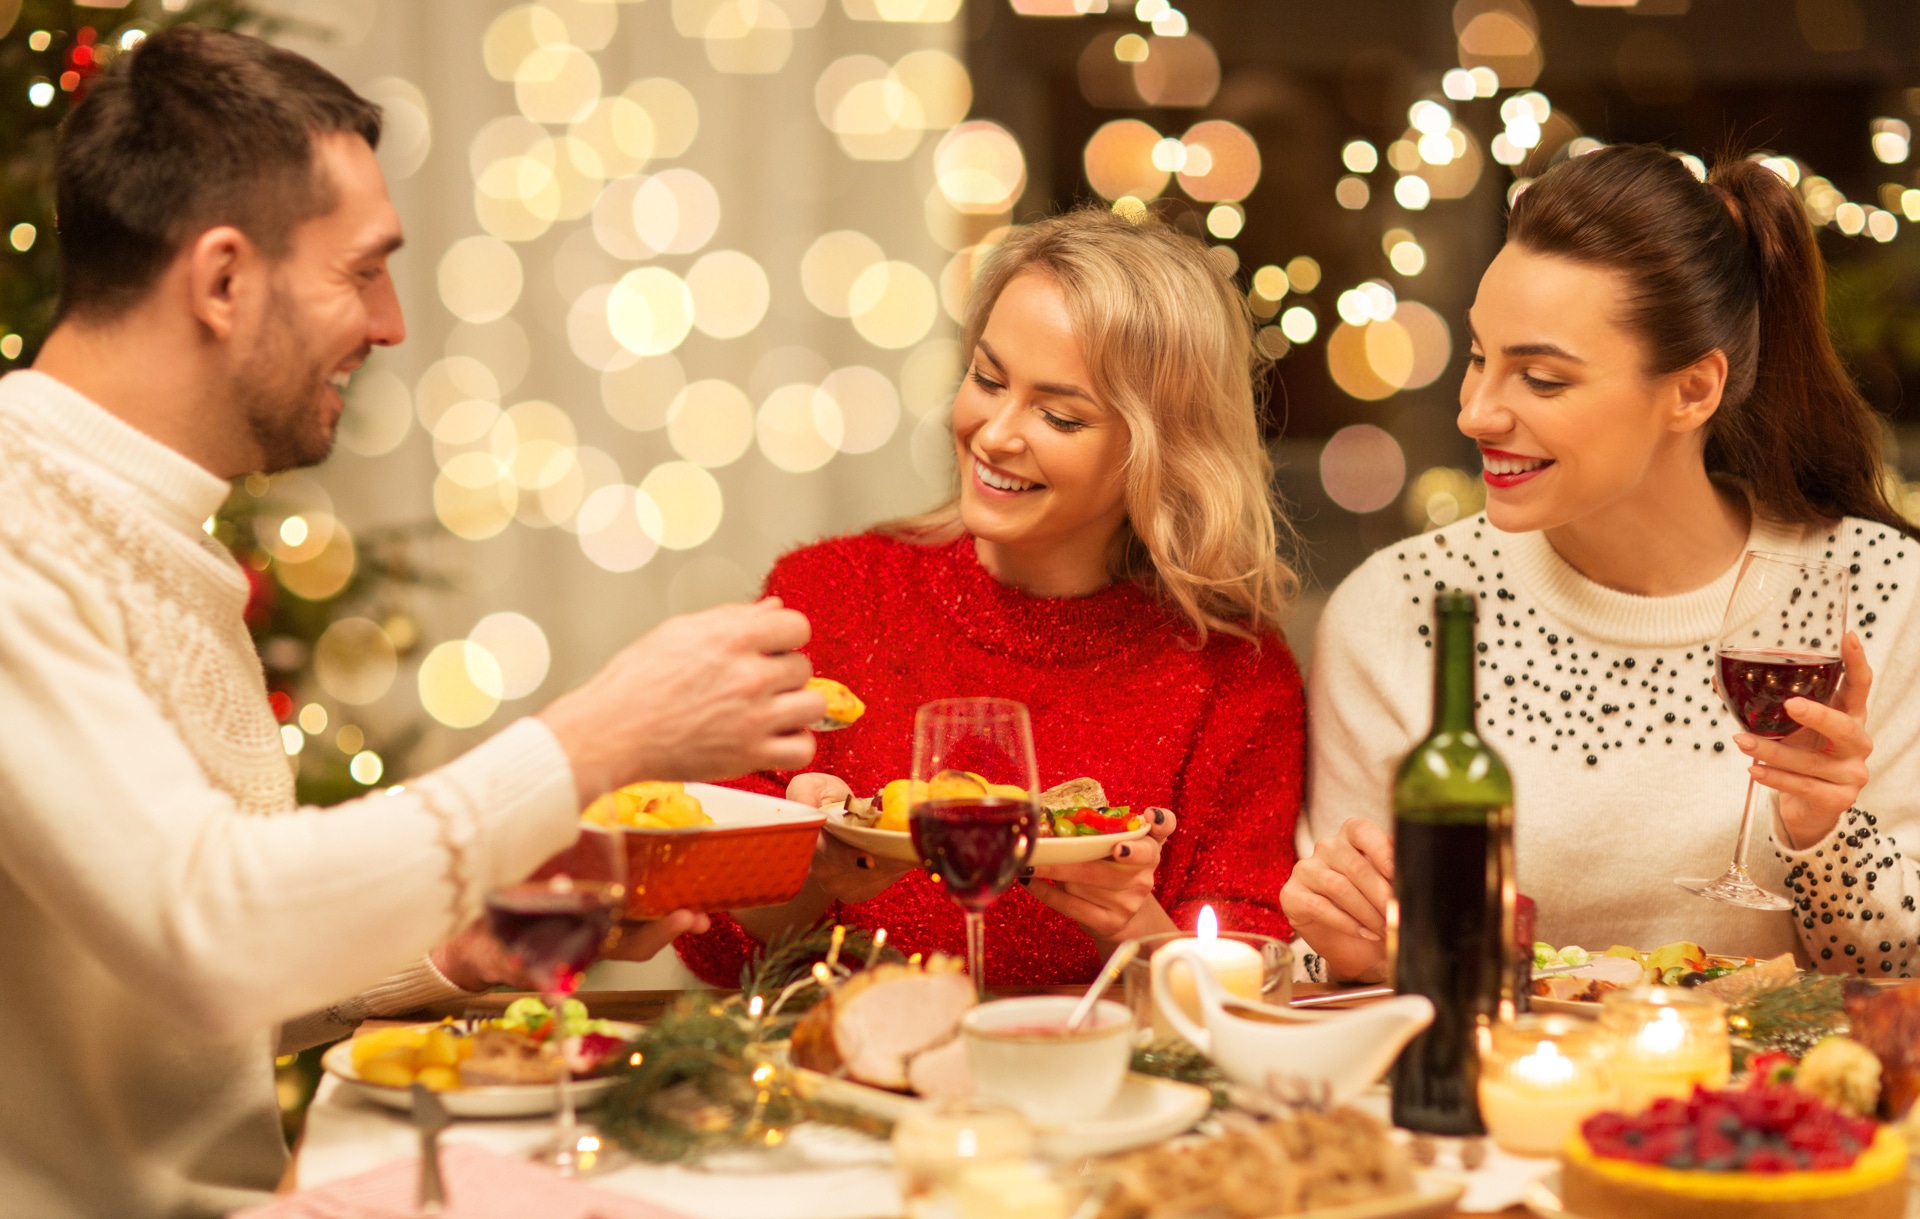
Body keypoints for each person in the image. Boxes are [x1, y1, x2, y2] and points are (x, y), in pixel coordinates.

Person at [0, 29, 826, 1219]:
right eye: (361, 270)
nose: (388, 324)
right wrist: (600, 735)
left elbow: (162, 991)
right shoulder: (24, 527)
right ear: (223, 280)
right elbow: (207, 929)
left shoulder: (147, 525)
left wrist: (450, 953)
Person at [1284, 144, 1920, 984]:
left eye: (1540, 378)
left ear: (1693, 391)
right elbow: (1322, 968)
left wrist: (1822, 832)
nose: (1477, 412)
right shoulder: (1400, 608)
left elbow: (1902, 969)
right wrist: (1353, 949)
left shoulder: (1880, 591)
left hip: (1779, 1106)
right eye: (1480, 357)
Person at [676, 209, 1307, 988]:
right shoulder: (823, 599)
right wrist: (815, 882)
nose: (994, 432)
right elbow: (712, 951)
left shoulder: (1235, 677)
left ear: (1160, 451)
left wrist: (1137, 932)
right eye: (988, 378)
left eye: (1059, 413)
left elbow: (1248, 980)